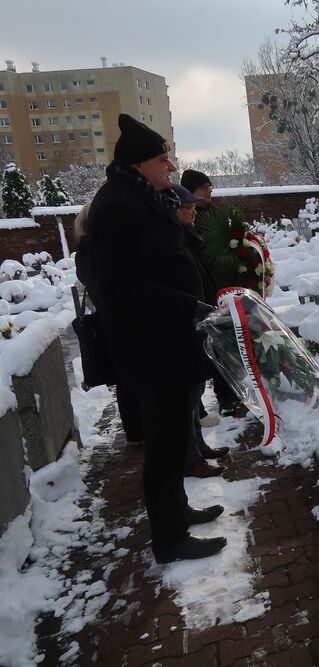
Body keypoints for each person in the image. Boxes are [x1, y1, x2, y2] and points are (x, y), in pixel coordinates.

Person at [86, 114, 227, 563]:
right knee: (163, 445)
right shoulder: (116, 206)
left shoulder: (141, 195)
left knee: (172, 438)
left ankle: (178, 512)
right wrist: (187, 304)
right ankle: (169, 538)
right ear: (138, 163)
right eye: (162, 159)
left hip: (170, 341)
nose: (170, 166)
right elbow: (121, 286)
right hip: (152, 347)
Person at [170, 184, 230, 478]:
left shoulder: (185, 236)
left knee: (194, 394)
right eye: (187, 207)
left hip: (198, 318)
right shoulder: (170, 240)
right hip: (184, 324)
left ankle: (198, 447)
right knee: (187, 396)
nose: (194, 211)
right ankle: (190, 457)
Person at [73, 203, 144, 448]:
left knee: (127, 378)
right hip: (120, 320)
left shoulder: (88, 251)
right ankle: (138, 432)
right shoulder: (93, 252)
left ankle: (138, 431)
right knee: (129, 377)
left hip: (114, 319)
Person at [180, 169, 244, 419]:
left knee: (227, 342)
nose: (209, 190)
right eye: (204, 186)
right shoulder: (188, 223)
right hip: (203, 293)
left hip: (222, 288)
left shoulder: (216, 214)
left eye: (210, 185)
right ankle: (218, 399)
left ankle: (230, 392)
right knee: (211, 345)